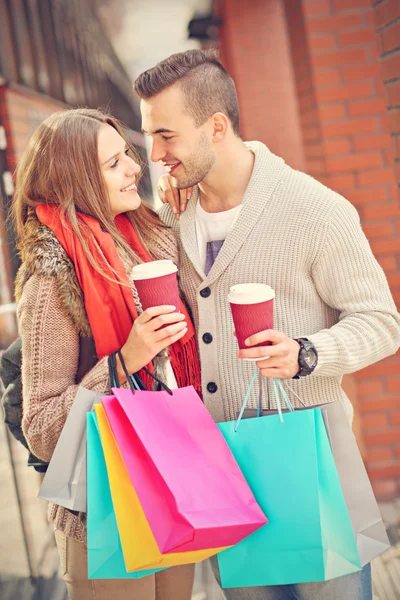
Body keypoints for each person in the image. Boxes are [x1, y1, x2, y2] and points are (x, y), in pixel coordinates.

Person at [133, 49, 400, 600]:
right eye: (149, 138)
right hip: (220, 470)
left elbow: (382, 322)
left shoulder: (316, 210)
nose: (155, 155)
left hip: (309, 457)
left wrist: (307, 352)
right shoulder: (170, 218)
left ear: (217, 126)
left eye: (166, 136)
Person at [12, 107, 200, 600]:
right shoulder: (51, 280)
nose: (135, 168)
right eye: (114, 163)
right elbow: (42, 428)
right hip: (103, 507)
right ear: (78, 180)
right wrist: (122, 362)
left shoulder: (154, 237)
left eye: (127, 155)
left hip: (174, 478)